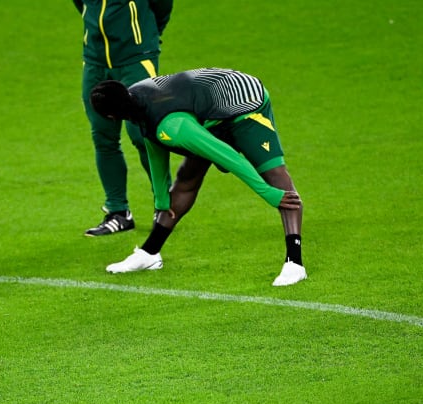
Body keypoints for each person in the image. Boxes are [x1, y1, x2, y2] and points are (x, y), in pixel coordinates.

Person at [91, 68, 306, 287]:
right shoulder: (136, 100)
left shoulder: (173, 127)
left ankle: (295, 262)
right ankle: (150, 253)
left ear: (111, 117)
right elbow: (154, 146)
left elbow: (228, 156)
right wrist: (161, 201)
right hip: (206, 116)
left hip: (245, 104)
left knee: (274, 174)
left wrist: (269, 194)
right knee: (186, 179)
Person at [75, 0, 173, 237]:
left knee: (142, 134)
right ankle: (118, 212)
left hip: (135, 58)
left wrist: (145, 37)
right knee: (103, 136)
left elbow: (162, 6)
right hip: (95, 61)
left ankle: (166, 206)